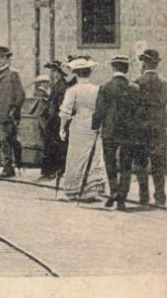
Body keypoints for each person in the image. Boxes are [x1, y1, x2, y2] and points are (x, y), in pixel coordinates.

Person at [92, 54, 141, 210]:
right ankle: (122, 196)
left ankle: (113, 191)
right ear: (127, 69)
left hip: (110, 131)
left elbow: (99, 111)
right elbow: (138, 112)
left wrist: (95, 126)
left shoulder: (105, 87)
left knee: (110, 163)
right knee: (126, 165)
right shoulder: (134, 88)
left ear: (113, 68)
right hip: (129, 132)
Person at [58, 57, 107, 201]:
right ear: (89, 73)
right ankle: (91, 190)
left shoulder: (73, 90)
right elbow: (101, 109)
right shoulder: (97, 89)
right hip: (94, 126)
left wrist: (62, 128)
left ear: (76, 73)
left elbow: (65, 112)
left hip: (78, 125)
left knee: (77, 156)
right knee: (94, 156)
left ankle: (76, 190)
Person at [0, 45, 24, 178]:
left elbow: (21, 94)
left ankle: (9, 168)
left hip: (7, 115)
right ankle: (13, 163)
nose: (0, 60)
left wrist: (14, 109)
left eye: (2, 57)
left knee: (5, 140)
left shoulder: (13, 73)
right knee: (4, 140)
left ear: (8, 59)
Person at [134, 49, 165, 209]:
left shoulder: (137, 82)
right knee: (158, 163)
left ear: (144, 63)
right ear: (156, 64)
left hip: (140, 129)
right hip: (159, 129)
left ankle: (143, 196)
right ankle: (160, 196)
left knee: (140, 163)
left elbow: (131, 108)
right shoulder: (164, 83)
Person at [41, 60, 70, 179]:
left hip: (56, 120)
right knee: (52, 145)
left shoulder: (61, 85)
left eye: (54, 71)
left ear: (60, 72)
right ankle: (51, 170)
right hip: (53, 119)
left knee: (56, 145)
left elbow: (59, 103)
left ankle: (56, 170)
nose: (52, 74)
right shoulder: (57, 84)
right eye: (52, 71)